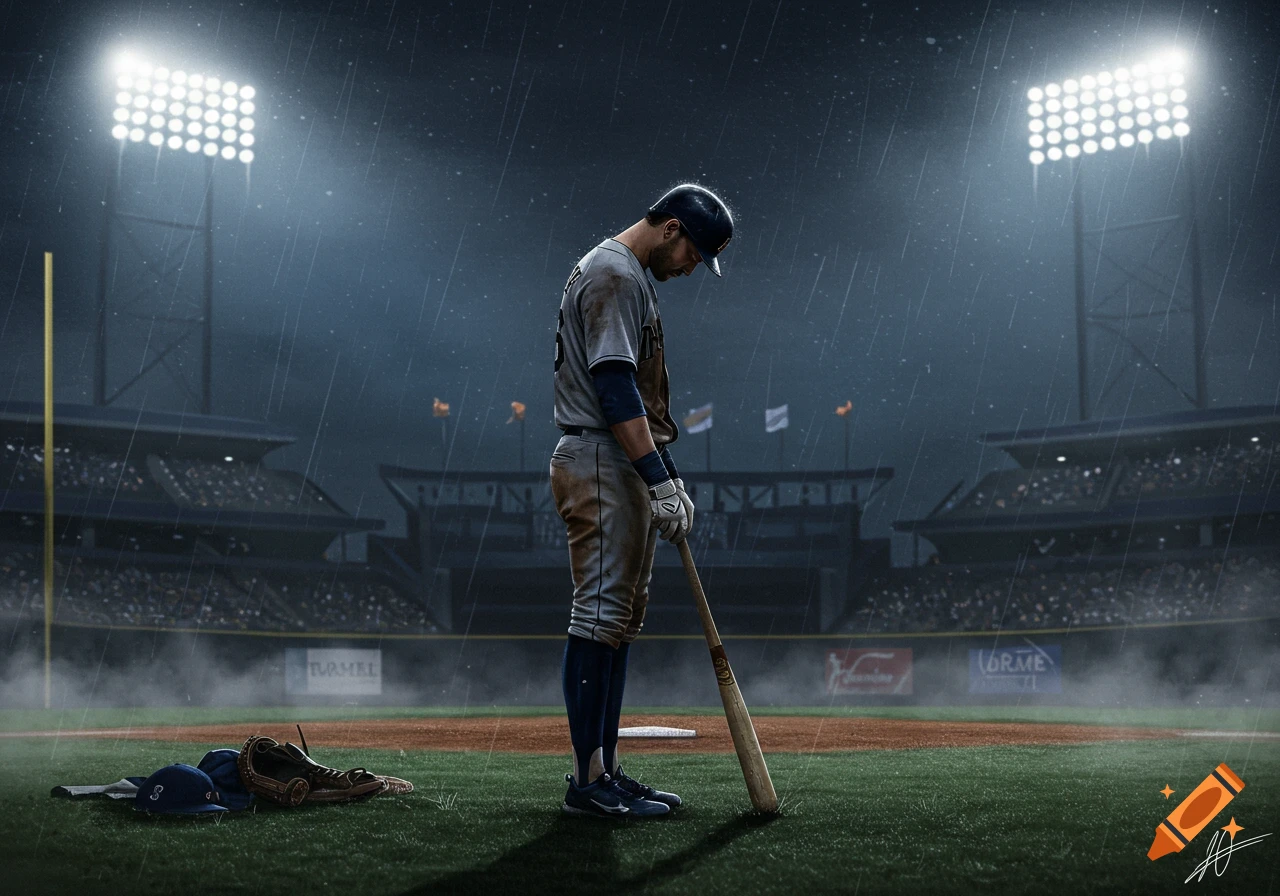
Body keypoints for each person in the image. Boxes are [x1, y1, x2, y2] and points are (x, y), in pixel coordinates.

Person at [550, 183, 733, 818]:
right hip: (601, 455)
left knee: (618, 625)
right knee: (599, 619)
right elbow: (615, 388)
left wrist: (665, 475)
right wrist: (656, 476)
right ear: (671, 228)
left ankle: (607, 770)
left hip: (617, 457)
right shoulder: (616, 273)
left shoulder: (627, 275)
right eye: (693, 254)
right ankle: (586, 781)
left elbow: (641, 404)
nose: (690, 268)